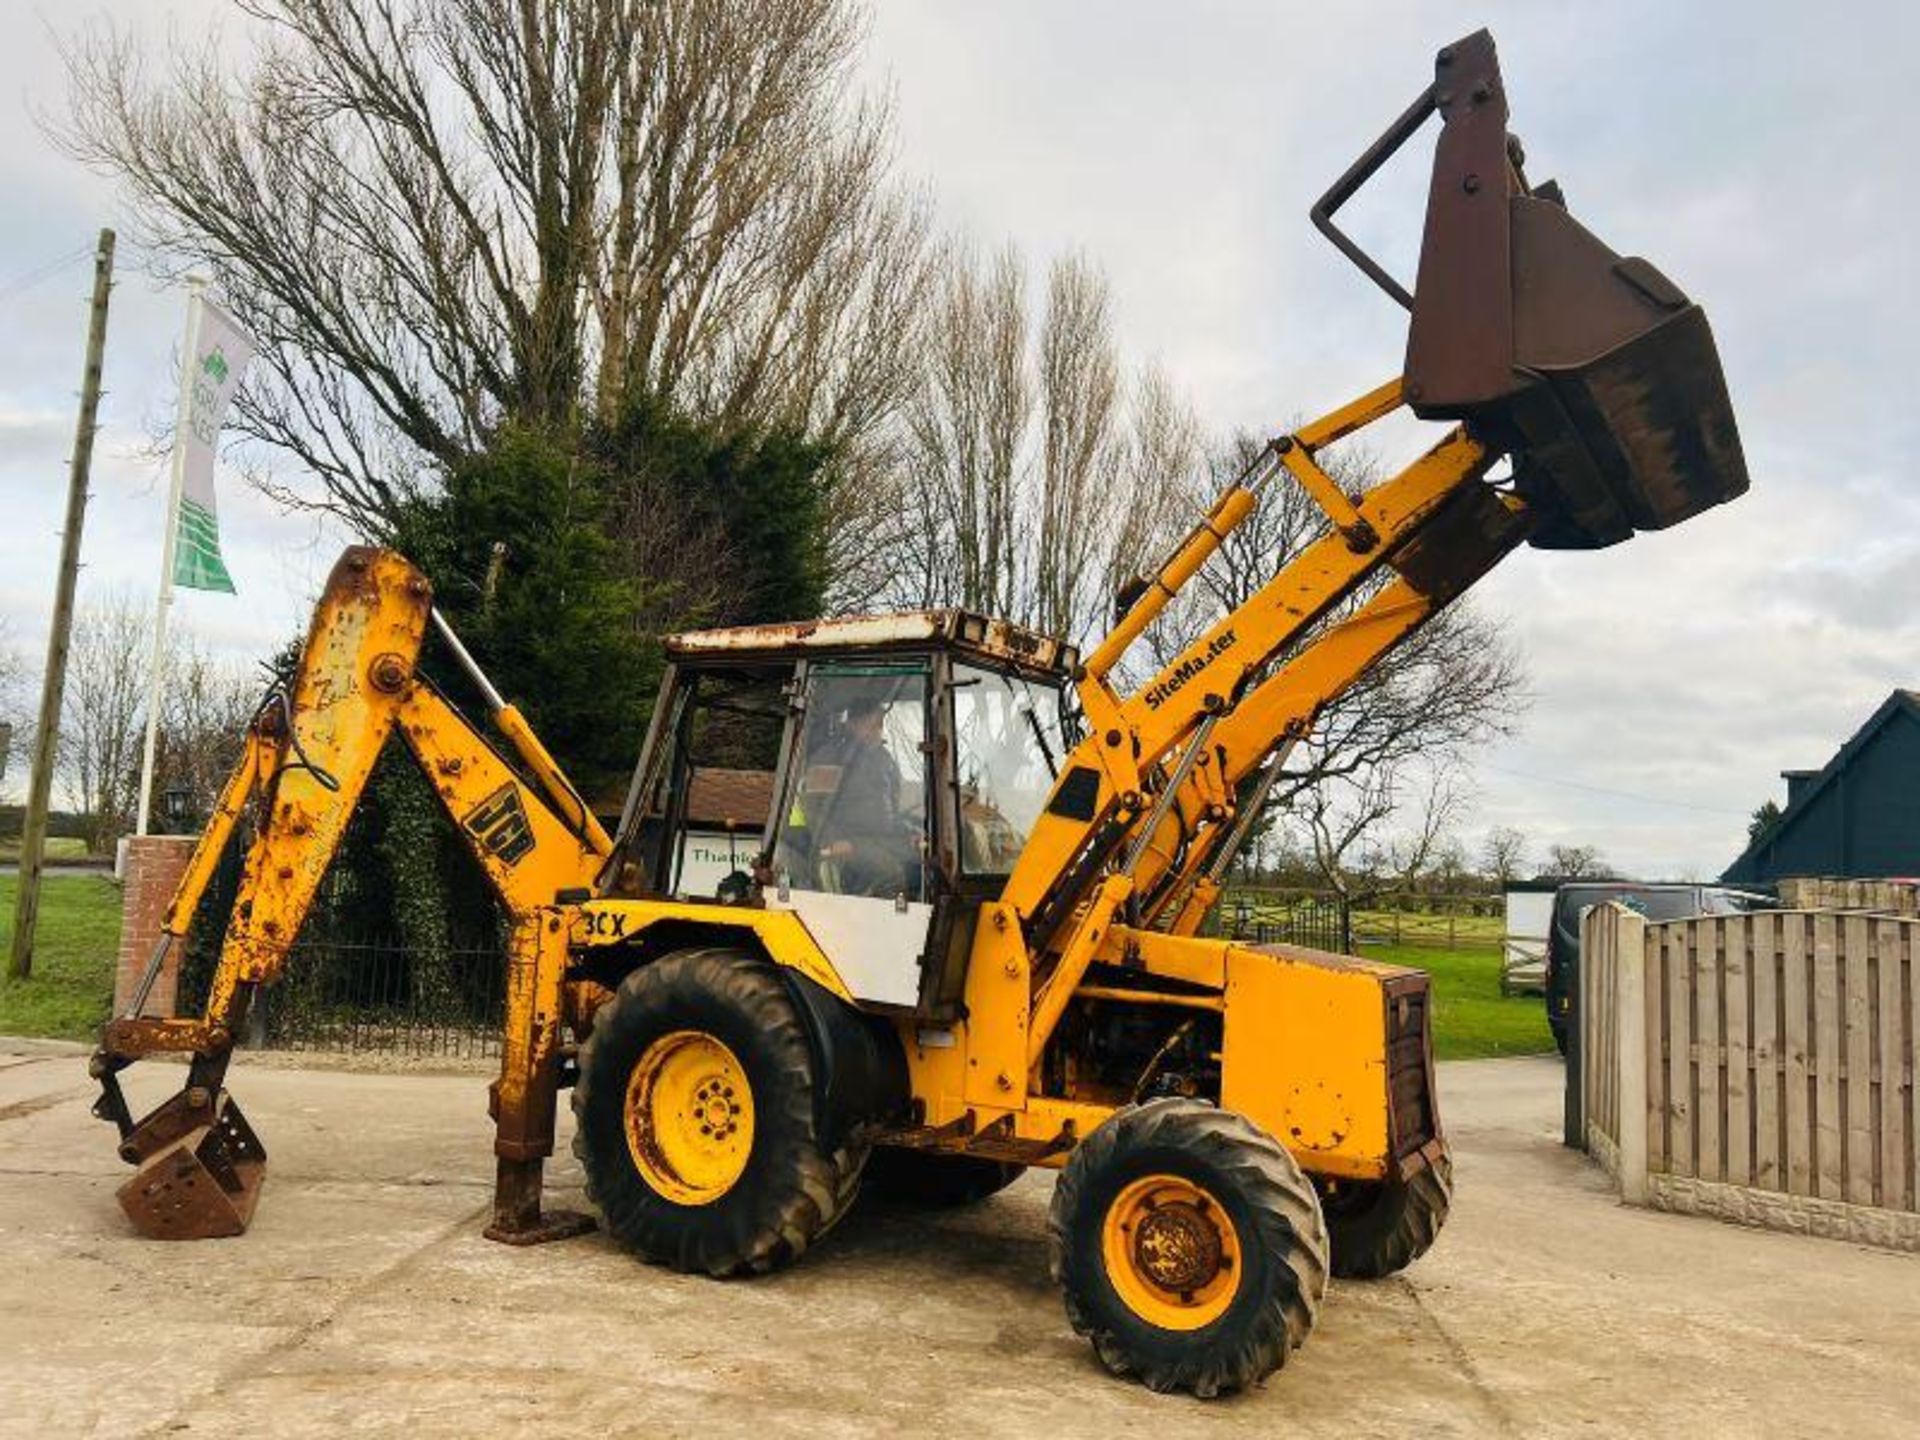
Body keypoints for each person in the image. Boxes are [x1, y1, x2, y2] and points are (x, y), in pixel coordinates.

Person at [817, 696, 916, 897]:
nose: (877, 729)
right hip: (849, 843)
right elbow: (814, 808)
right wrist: (832, 840)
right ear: (853, 723)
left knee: (926, 865)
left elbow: (892, 812)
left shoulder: (886, 761)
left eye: (880, 724)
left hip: (883, 840)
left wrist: (911, 833)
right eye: (871, 724)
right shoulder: (832, 757)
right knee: (892, 873)